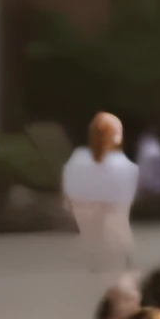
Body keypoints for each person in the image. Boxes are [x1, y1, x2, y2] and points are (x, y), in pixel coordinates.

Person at [60, 112, 140, 282]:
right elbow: (127, 189)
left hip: (86, 207)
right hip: (111, 209)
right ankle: (121, 260)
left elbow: (70, 184)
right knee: (117, 224)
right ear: (117, 136)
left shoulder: (78, 159)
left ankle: (101, 259)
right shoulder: (121, 165)